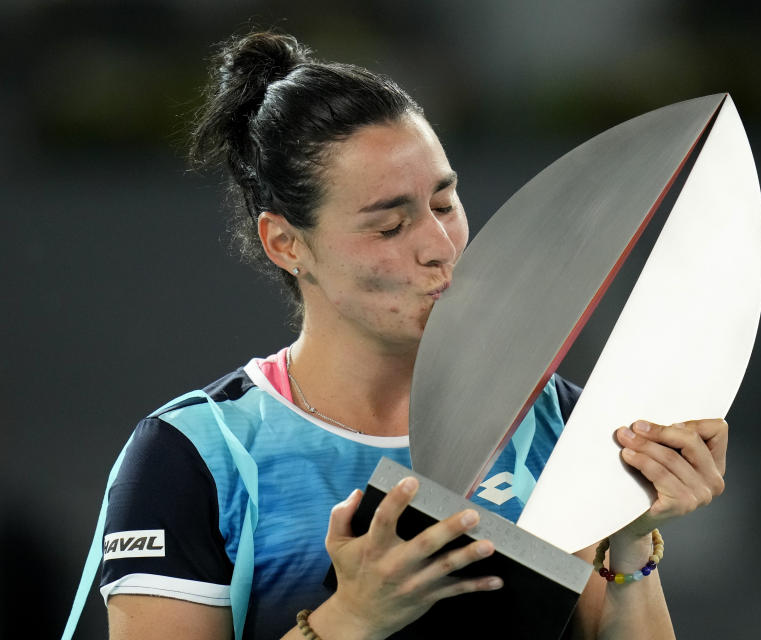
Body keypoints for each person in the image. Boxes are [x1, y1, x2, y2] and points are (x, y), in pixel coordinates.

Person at [97, 31, 728, 640]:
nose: (439, 245)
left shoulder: (563, 426)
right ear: (286, 244)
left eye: (446, 203)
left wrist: (629, 538)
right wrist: (353, 619)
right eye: (390, 225)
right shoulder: (197, 456)